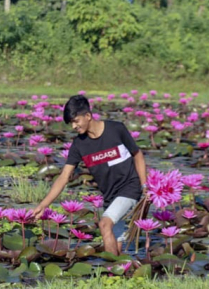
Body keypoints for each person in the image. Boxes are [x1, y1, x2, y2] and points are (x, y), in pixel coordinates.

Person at [33, 95, 147, 255]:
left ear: (88, 116)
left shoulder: (116, 129)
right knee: (117, 247)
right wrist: (43, 205)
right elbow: (64, 177)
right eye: (71, 123)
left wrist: (144, 185)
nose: (73, 126)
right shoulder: (79, 145)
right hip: (109, 196)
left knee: (104, 224)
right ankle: (119, 275)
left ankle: (110, 274)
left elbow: (138, 155)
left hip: (130, 187)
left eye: (76, 121)